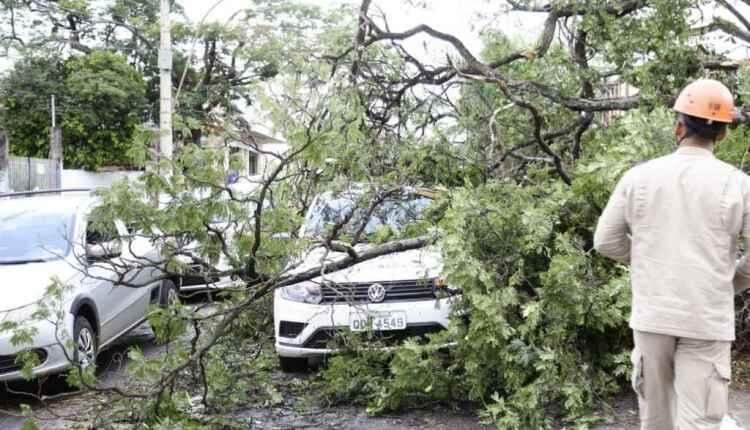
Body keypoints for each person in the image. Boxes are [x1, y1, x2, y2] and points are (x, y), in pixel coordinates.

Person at [594, 78, 750, 430]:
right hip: (706, 318)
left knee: (657, 420)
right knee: (700, 423)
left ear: (679, 126)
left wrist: (650, 262)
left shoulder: (639, 176)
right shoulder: (739, 184)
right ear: (722, 135)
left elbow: (606, 240)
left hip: (654, 316)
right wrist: (729, 282)